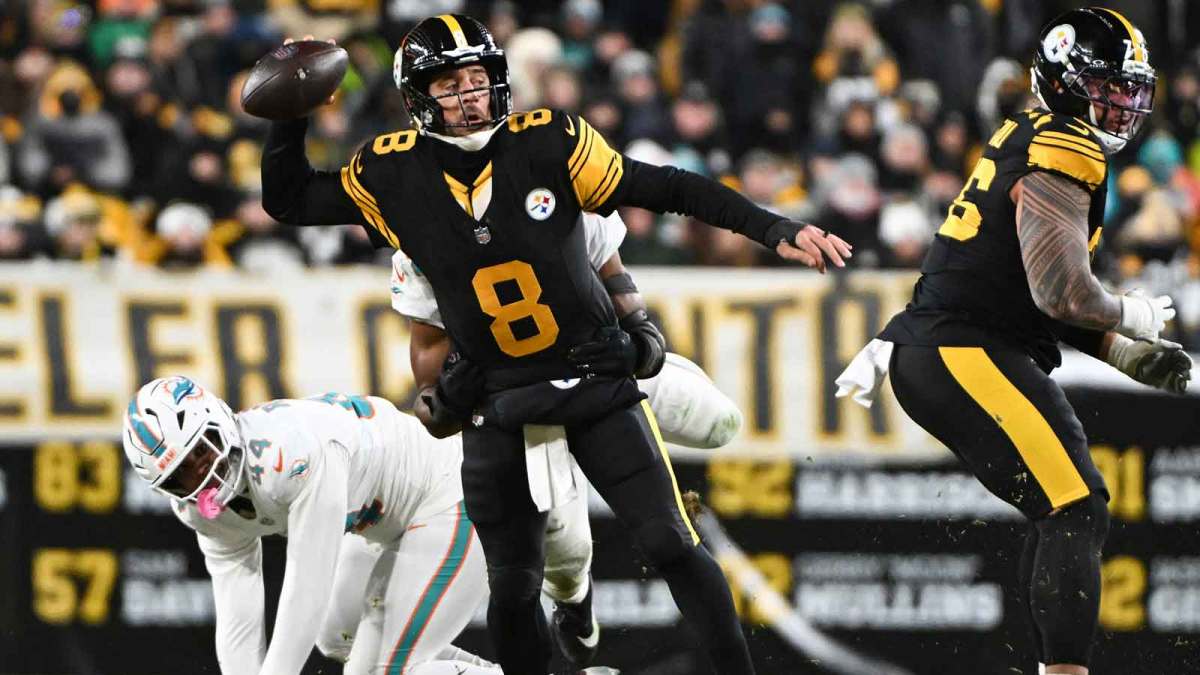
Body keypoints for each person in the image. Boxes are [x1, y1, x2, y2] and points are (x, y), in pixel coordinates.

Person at [260, 15, 851, 674]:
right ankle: (574, 613)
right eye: (450, 85)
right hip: (499, 397)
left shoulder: (549, 140)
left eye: (478, 78)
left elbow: (669, 188)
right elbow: (290, 201)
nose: (470, 95)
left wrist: (771, 230)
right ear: (418, 97)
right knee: (513, 587)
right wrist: (290, 117)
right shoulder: (390, 171)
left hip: (591, 372)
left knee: (673, 538)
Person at [835, 9, 1190, 675]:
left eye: (1127, 88)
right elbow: (1061, 293)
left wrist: (1118, 351)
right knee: (1076, 506)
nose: (1121, 102)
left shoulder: (1033, 132)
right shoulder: (1065, 146)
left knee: (1063, 509)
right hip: (963, 350)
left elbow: (1023, 290)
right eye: (1106, 85)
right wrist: (1129, 312)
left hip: (952, 346)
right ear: (1064, 81)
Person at [385, 210, 744, 668]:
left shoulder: (554, 187)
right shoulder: (422, 230)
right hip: (512, 406)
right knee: (553, 567)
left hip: (595, 376)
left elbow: (618, 281)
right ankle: (577, 606)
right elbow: (433, 406)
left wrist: (642, 343)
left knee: (720, 425)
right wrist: (447, 398)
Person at [121, 375, 617, 675]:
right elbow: (238, 604)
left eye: (200, 452)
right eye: (180, 476)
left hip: (448, 494)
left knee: (380, 671)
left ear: (219, 419)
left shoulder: (288, 454)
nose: (202, 476)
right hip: (381, 521)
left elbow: (307, 583)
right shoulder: (197, 507)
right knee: (336, 637)